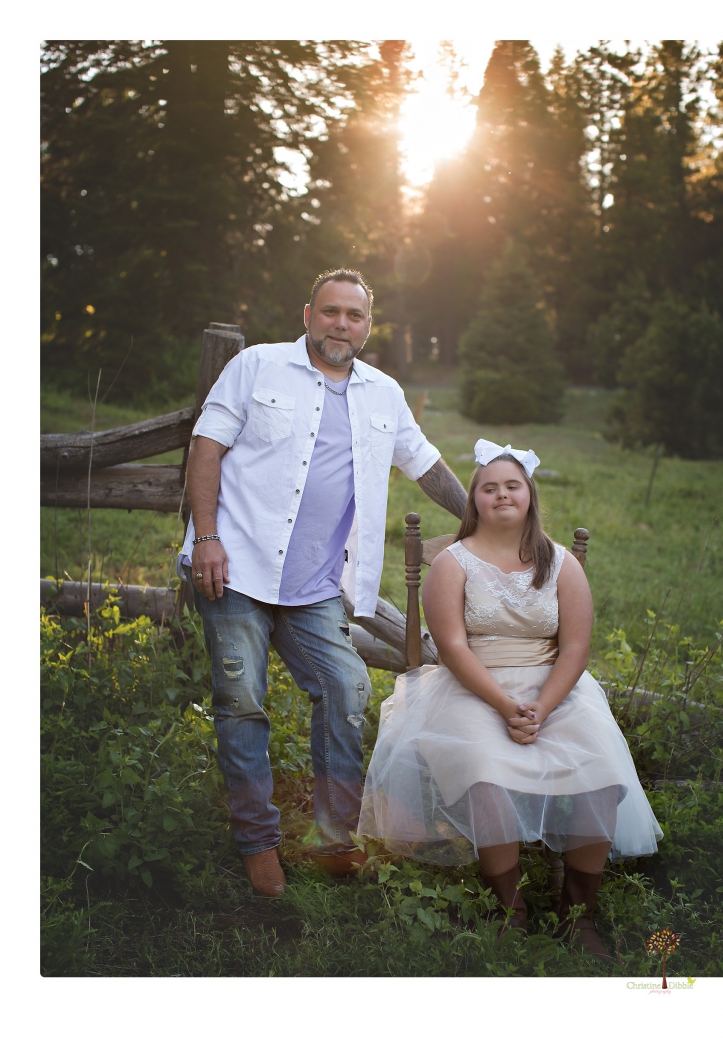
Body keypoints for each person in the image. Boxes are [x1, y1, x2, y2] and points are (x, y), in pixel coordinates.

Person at [178, 268, 467, 898]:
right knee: (242, 702)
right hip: (237, 569)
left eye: (355, 316)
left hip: (314, 587)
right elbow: (206, 447)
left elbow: (425, 466)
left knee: (346, 686)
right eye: (331, 312)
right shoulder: (258, 367)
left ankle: (334, 835)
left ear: (368, 326)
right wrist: (205, 537)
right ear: (308, 314)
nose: (342, 324)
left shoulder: (383, 395)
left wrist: (482, 515)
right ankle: (258, 842)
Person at [359, 439, 663, 958]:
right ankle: (510, 908)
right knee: (484, 772)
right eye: (489, 487)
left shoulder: (562, 564)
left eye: (512, 486)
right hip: (473, 686)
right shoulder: (451, 564)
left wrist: (541, 707)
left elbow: (575, 648)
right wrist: (505, 707)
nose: (501, 494)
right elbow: (452, 648)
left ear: (530, 495)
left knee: (601, 766)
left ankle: (577, 912)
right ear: (474, 499)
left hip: (555, 687)